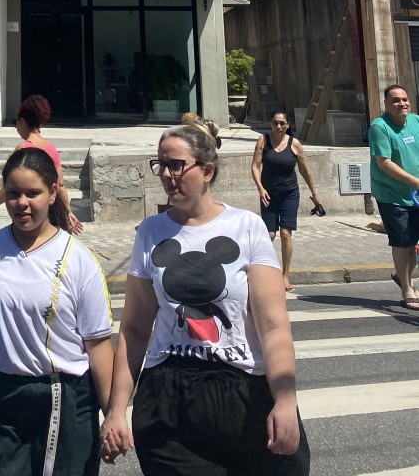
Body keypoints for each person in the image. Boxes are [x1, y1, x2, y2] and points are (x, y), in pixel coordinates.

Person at [100, 120, 309, 476]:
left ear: (207, 171)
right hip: (170, 397)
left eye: (176, 165)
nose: (167, 175)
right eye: (160, 165)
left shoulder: (246, 227)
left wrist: (286, 399)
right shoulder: (151, 233)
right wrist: (117, 410)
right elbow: (134, 330)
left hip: (243, 394)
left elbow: (273, 327)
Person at [0, 147, 114, 476]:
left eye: (33, 193)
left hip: (61, 399)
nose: (22, 203)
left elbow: (98, 346)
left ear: (53, 193)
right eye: (13, 194)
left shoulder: (78, 260)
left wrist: (114, 414)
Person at [0, 94, 84, 234]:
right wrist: (68, 211)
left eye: (16, 122)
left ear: (23, 122)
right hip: (51, 214)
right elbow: (60, 185)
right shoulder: (50, 147)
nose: (16, 127)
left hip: (29, 215)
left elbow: (10, 186)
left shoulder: (24, 148)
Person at [251, 111, 323, 291]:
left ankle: (284, 275)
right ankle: (266, 272)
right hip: (268, 194)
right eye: (275, 123)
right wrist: (260, 188)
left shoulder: (295, 144)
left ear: (288, 125)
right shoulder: (263, 140)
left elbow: (306, 171)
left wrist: (315, 195)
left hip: (289, 193)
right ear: (271, 124)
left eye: (282, 123)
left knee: (285, 234)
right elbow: (255, 166)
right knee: (269, 235)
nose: (279, 126)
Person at [368, 84, 419, 310]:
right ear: (386, 104)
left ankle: (402, 275)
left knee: (413, 243)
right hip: (392, 195)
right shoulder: (380, 127)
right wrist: (416, 182)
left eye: (405, 99)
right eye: (396, 100)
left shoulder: (416, 122)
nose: (402, 103)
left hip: (415, 193)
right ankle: (407, 289)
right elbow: (384, 163)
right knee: (402, 242)